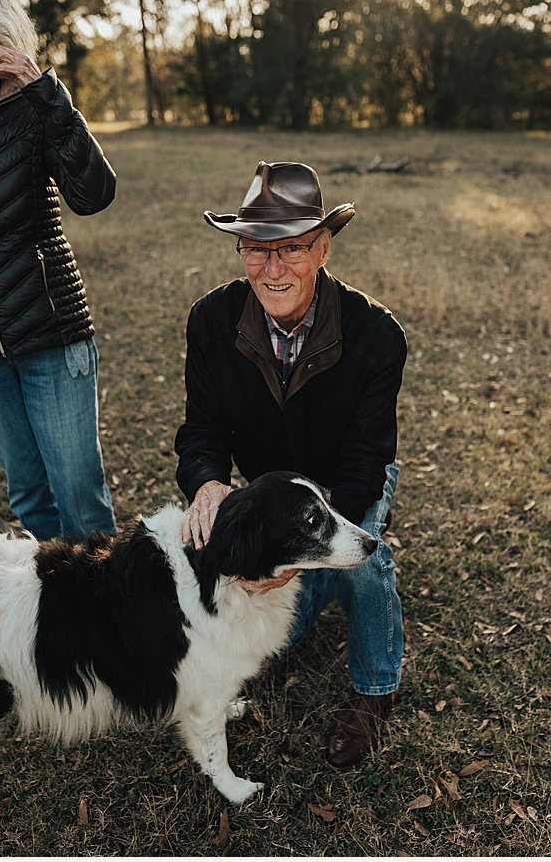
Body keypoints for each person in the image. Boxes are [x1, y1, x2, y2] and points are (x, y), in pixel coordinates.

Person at [175, 161, 407, 769]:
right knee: (290, 627)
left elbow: (367, 461)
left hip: (349, 482)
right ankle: (312, 586)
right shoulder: (210, 320)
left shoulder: (377, 335)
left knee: (361, 556)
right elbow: (201, 429)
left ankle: (374, 689)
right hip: (276, 490)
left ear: (323, 247)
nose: (272, 270)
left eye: (292, 249)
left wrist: (320, 537)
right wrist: (206, 481)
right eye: (256, 249)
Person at [0, 0, 116, 541]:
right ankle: (59, 622)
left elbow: (94, 195)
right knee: (28, 500)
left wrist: (43, 89)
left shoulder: (34, 105)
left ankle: (108, 625)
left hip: (51, 332)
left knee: (79, 503)